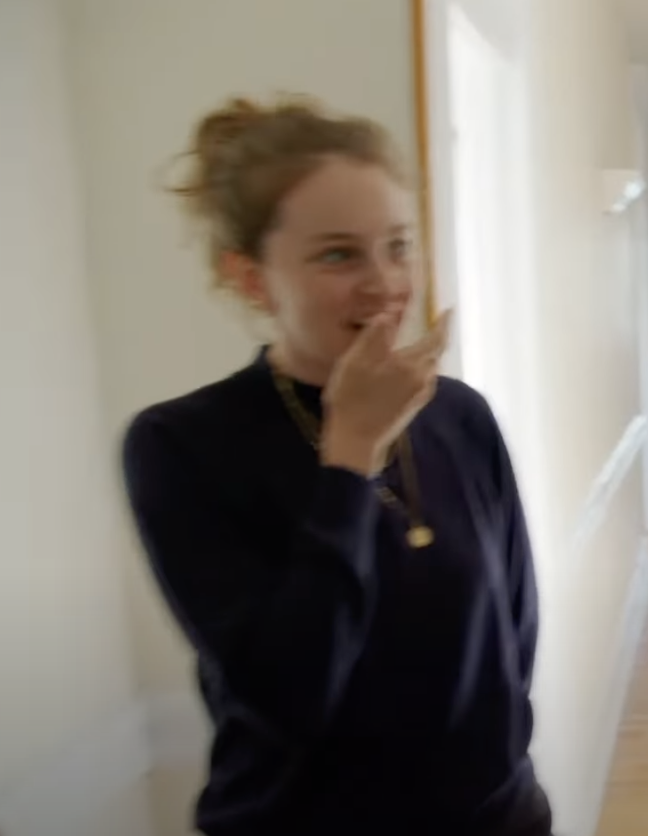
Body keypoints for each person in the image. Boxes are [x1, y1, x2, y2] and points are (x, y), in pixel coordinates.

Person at [120, 96, 551, 836]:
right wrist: (349, 455)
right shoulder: (180, 445)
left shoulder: (459, 415)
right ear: (252, 278)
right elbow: (289, 692)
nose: (385, 282)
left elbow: (514, 634)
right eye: (338, 254)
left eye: (398, 245)